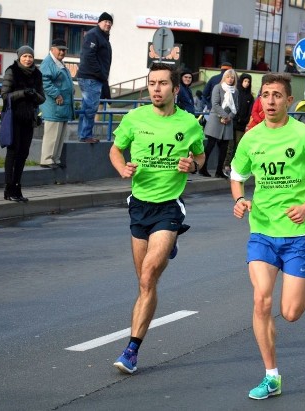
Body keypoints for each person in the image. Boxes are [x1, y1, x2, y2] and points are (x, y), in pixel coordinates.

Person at [230, 73, 305, 400]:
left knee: (290, 313)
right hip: (263, 231)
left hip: (299, 235)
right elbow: (237, 177)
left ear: (289, 101)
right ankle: (271, 376)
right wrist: (239, 200)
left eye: (277, 95)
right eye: (265, 94)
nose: (270, 101)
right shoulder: (251, 139)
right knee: (261, 299)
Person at [109, 62, 206, 374]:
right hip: (139, 205)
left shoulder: (189, 123)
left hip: (168, 205)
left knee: (150, 274)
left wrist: (191, 166)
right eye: (152, 83)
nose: (155, 89)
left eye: (162, 83)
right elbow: (115, 149)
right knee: (143, 283)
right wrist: (122, 167)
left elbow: (201, 157)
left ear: (175, 89)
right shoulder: (135, 118)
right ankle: (167, 243)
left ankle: (131, 350)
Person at [0, 46, 46, 202]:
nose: (28, 59)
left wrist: (34, 95)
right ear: (19, 57)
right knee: (12, 153)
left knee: (23, 154)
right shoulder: (11, 71)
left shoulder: (37, 74)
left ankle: (18, 187)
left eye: (30, 56)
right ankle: (9, 188)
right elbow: (5, 96)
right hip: (14, 118)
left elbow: (42, 97)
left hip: (29, 119)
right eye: (25, 56)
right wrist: (23, 93)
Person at [77, 12, 113, 143]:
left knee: (88, 106)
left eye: (110, 22)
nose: (108, 24)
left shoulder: (102, 37)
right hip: (91, 77)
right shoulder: (94, 35)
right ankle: (85, 135)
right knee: (91, 107)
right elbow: (89, 56)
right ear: (99, 22)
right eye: (105, 21)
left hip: (94, 77)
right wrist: (100, 73)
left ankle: (83, 134)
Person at [39, 39, 75, 168]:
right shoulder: (48, 63)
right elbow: (44, 81)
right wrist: (56, 94)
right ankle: (47, 159)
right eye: (60, 49)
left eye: (64, 50)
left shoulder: (58, 62)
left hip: (62, 106)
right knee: (52, 134)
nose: (62, 52)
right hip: (54, 106)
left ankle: (55, 159)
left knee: (59, 135)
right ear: (52, 48)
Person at [200, 69, 238, 178]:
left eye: (232, 77)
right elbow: (215, 104)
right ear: (224, 77)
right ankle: (203, 168)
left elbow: (236, 107)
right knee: (210, 146)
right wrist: (224, 116)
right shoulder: (218, 87)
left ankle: (219, 171)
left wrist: (229, 117)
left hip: (227, 123)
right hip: (215, 120)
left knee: (224, 148)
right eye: (228, 77)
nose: (230, 79)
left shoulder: (235, 91)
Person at [224, 73, 254, 176]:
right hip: (233, 123)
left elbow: (250, 111)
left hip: (242, 125)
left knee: (238, 146)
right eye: (245, 81)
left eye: (248, 82)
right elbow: (231, 106)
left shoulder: (250, 96)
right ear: (241, 81)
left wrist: (245, 120)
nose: (247, 83)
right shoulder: (236, 92)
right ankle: (226, 165)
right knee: (230, 146)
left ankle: (234, 166)